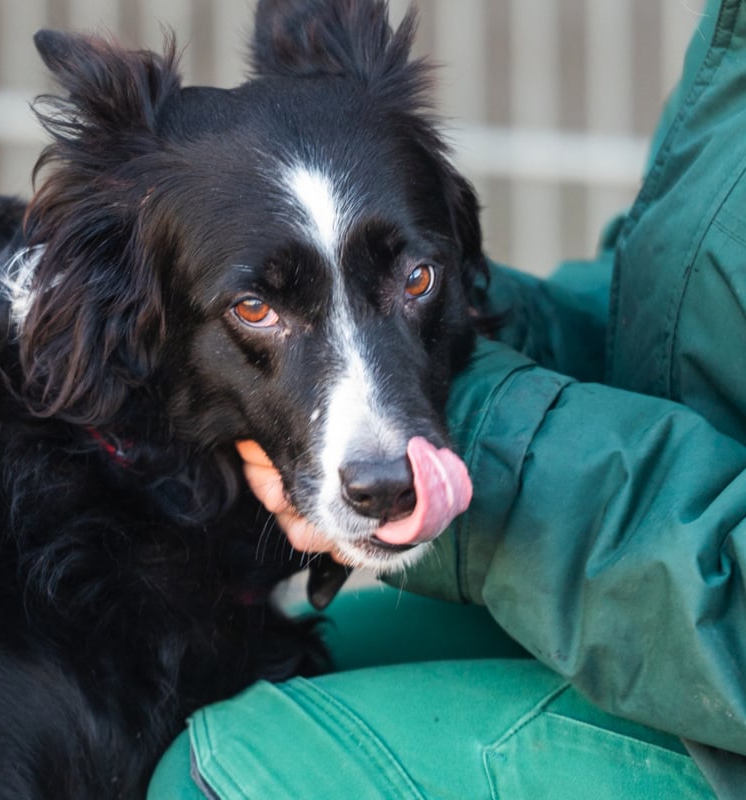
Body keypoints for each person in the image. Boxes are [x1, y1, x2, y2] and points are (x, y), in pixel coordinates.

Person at [149, 0, 746, 796]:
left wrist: (492, 441)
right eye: (259, 308)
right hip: (659, 583)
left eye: (415, 278)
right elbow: (675, 319)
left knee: (216, 772)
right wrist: (455, 337)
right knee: (216, 668)